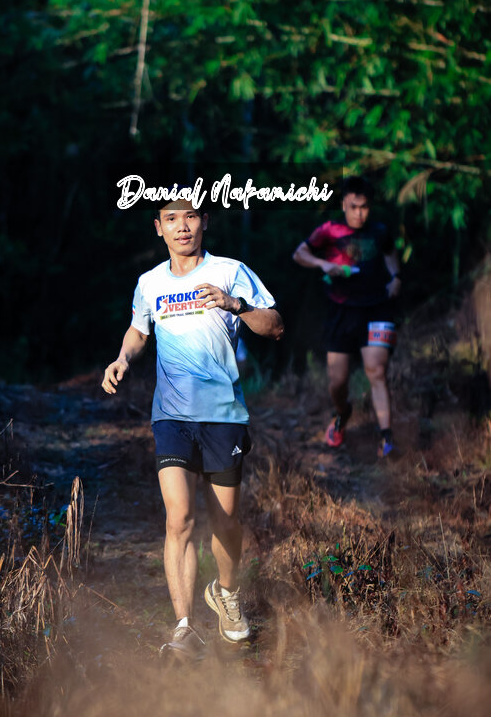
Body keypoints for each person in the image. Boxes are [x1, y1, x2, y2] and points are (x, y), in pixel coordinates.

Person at [102, 198, 284, 661]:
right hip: (171, 417)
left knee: (226, 523)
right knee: (179, 518)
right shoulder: (150, 283)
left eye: (190, 216)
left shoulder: (230, 271)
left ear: (205, 222)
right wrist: (123, 358)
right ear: (158, 228)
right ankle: (184, 627)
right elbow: (139, 331)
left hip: (223, 416)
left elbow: (275, 326)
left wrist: (235, 304)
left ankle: (226, 591)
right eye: (171, 218)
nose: (182, 226)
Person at [292, 178, 401, 457]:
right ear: (344, 205)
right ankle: (342, 414)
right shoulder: (329, 230)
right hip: (341, 311)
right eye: (354, 207)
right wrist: (323, 264)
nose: (359, 213)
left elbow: (390, 254)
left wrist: (396, 277)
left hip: (376, 309)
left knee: (376, 370)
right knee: (337, 382)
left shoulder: (380, 231)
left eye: (364, 207)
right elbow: (299, 254)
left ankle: (387, 438)